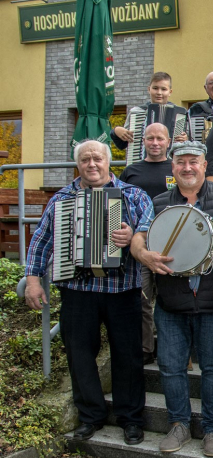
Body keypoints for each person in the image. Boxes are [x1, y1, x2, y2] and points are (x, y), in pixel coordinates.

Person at [24, 140, 152, 445]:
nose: (91, 164)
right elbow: (42, 240)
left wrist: (133, 236)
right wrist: (32, 280)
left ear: (109, 162)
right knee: (79, 354)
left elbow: (151, 230)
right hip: (77, 289)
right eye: (85, 159)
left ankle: (130, 418)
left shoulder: (134, 195)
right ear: (77, 164)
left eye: (97, 158)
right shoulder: (61, 199)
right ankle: (90, 416)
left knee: (129, 356)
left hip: (122, 289)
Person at [131, 141, 213, 456]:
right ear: (172, 167)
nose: (187, 167)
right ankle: (179, 424)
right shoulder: (157, 203)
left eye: (193, 161)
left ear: (204, 165)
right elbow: (138, 238)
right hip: (171, 303)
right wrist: (144, 254)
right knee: (170, 366)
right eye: (180, 161)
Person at [119, 122, 175, 365]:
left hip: (170, 244)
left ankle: (170, 348)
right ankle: (145, 348)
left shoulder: (176, 167)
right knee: (141, 298)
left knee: (170, 298)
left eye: (160, 138)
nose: (155, 143)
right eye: (150, 138)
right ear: (143, 142)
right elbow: (117, 205)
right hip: (138, 244)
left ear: (168, 142)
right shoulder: (132, 171)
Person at [110, 72, 188, 150]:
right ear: (149, 89)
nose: (159, 93)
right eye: (155, 88)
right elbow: (123, 144)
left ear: (170, 92)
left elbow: (191, 144)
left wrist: (186, 141)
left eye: (163, 89)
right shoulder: (137, 112)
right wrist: (115, 131)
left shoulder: (180, 114)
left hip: (171, 161)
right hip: (143, 160)